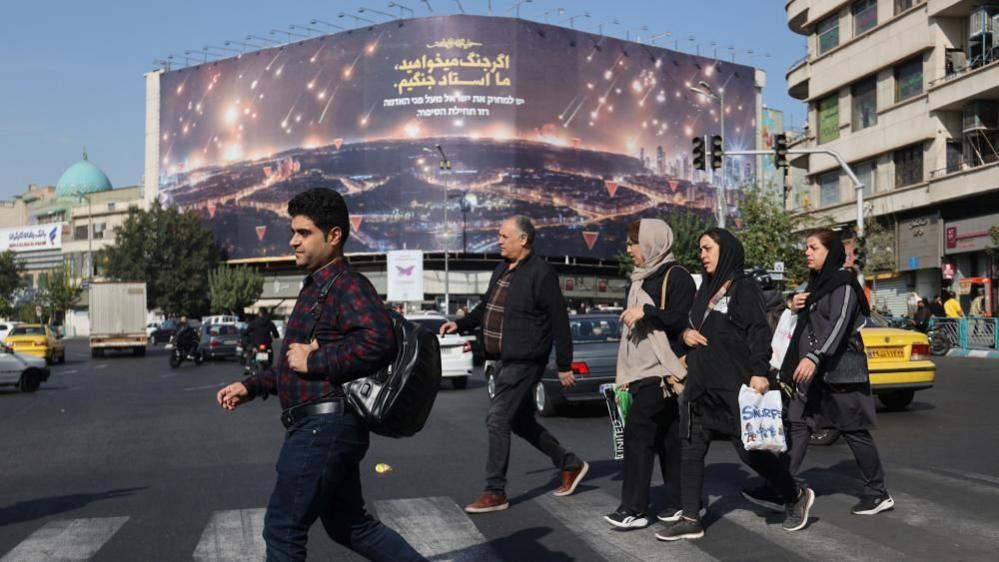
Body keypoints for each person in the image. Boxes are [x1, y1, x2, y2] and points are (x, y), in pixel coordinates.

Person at [216, 188, 425, 562]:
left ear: (334, 236)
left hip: (323, 429)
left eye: (304, 232)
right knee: (349, 525)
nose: (293, 241)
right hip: (321, 428)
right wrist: (252, 386)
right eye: (293, 231)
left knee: (282, 528)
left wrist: (317, 360)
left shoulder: (347, 285)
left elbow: (378, 340)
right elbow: (291, 364)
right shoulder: (316, 287)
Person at [657, 228, 812, 542]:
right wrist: (684, 335)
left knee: (749, 451)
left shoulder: (743, 287)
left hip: (733, 384)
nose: (702, 255)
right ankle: (690, 518)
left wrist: (759, 371)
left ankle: (795, 495)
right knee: (691, 448)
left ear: (725, 250)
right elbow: (692, 325)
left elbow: (758, 331)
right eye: (700, 249)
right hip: (701, 384)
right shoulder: (704, 289)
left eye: (707, 248)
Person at [440, 215, 588, 513]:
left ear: (524, 239)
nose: (499, 240)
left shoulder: (541, 273)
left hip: (525, 361)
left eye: (504, 235)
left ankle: (495, 491)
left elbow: (560, 319)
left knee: (497, 419)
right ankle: (569, 463)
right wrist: (461, 324)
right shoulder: (502, 269)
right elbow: (486, 308)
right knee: (519, 421)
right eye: (499, 234)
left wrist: (564, 364)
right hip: (502, 360)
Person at [762, 228, 893, 517]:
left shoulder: (844, 284)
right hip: (814, 372)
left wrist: (814, 356)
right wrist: (791, 302)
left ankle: (878, 492)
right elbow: (803, 320)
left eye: (813, 248)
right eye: (806, 248)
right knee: (796, 421)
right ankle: (783, 484)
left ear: (830, 252)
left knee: (853, 430)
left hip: (841, 370)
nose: (807, 253)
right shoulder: (815, 285)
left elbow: (839, 324)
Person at [604, 220, 695, 530]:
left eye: (634, 243)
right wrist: (624, 374)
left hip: (663, 371)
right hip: (642, 371)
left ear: (652, 243)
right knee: (669, 439)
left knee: (637, 436)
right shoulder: (639, 279)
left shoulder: (677, 276)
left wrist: (647, 312)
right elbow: (632, 339)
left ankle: (634, 508)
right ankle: (681, 502)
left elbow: (682, 320)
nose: (629, 249)